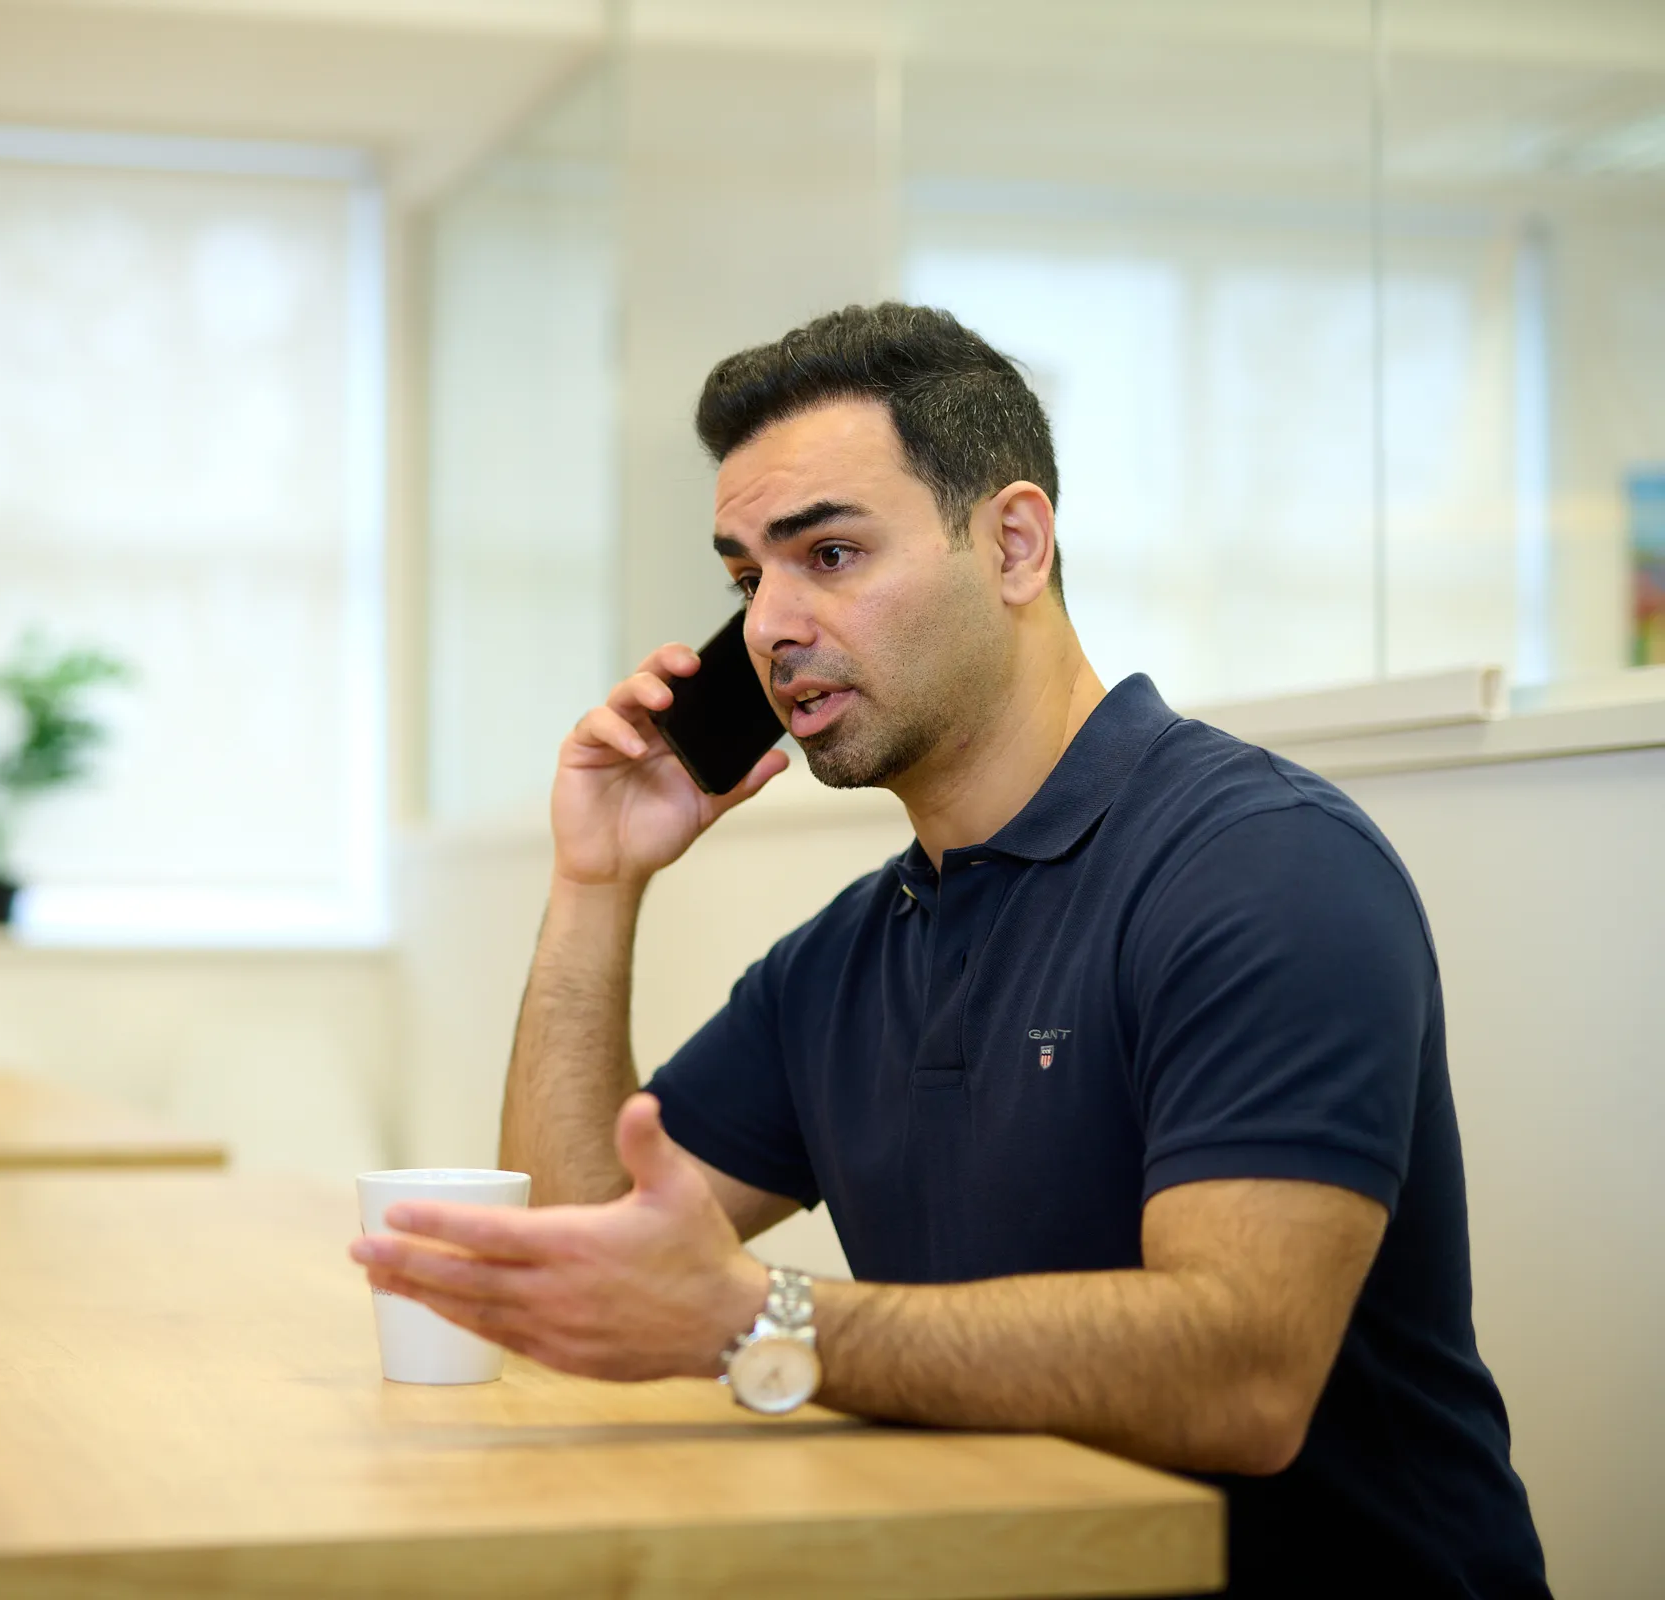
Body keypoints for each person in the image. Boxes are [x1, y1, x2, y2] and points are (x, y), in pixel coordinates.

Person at [351, 303, 1548, 1596]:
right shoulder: (851, 957)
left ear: (1015, 544)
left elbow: (1242, 1377)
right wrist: (595, 882)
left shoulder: (1265, 868)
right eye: (749, 578)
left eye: (832, 553)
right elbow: (588, 1274)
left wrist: (765, 1320)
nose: (770, 627)